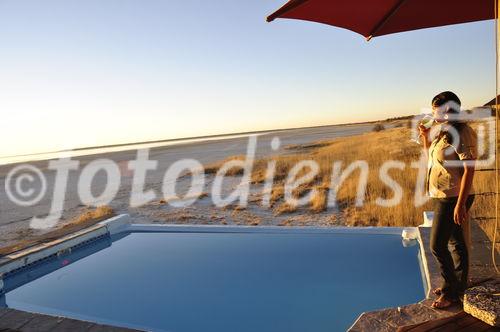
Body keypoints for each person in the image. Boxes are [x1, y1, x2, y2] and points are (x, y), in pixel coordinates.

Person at [419, 91, 478, 309]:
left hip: (454, 197)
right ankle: (456, 285)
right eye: (433, 109)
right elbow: (432, 159)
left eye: (438, 109)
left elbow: (469, 170)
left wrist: (462, 204)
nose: (433, 113)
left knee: (437, 245)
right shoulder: (443, 132)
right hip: (442, 194)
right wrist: (426, 137)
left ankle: (450, 292)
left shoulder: (463, 132)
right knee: (456, 243)